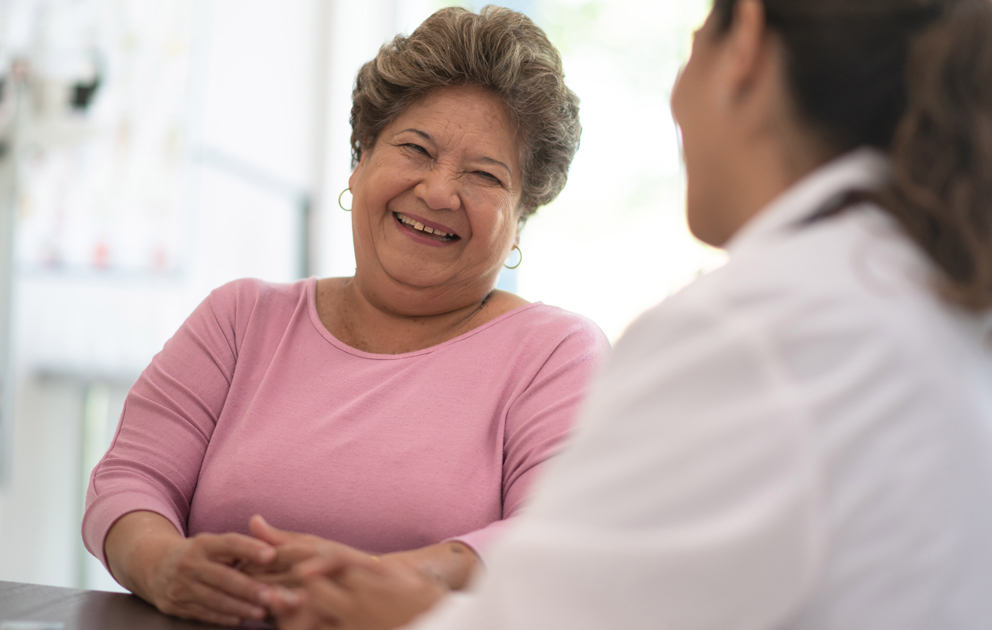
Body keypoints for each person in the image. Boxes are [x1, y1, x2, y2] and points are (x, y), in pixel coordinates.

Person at [262, 0, 992, 628]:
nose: (676, 103)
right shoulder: (966, 304)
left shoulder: (757, 329)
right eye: (416, 150)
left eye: (694, 44)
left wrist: (407, 614)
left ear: (747, 45)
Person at [80, 6, 607, 628]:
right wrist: (163, 565)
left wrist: (404, 579)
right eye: (416, 148)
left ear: (521, 216)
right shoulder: (240, 318)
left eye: (485, 176)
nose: (439, 191)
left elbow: (557, 535)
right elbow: (129, 479)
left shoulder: (555, 353)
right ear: (360, 162)